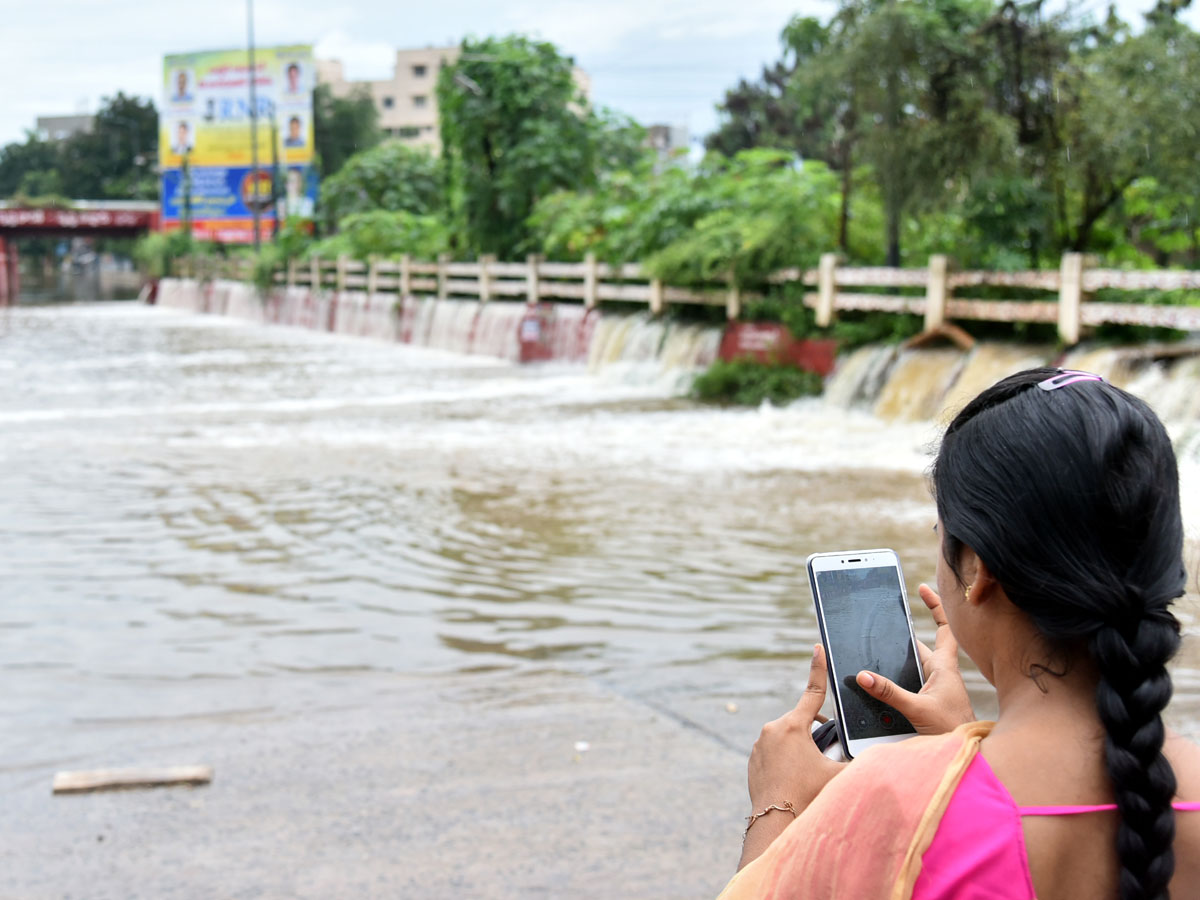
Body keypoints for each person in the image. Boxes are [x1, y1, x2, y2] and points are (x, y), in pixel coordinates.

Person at [723, 368, 1200, 900]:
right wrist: (962, 740)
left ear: (974, 568)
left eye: (939, 532)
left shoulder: (891, 804)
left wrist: (777, 802)